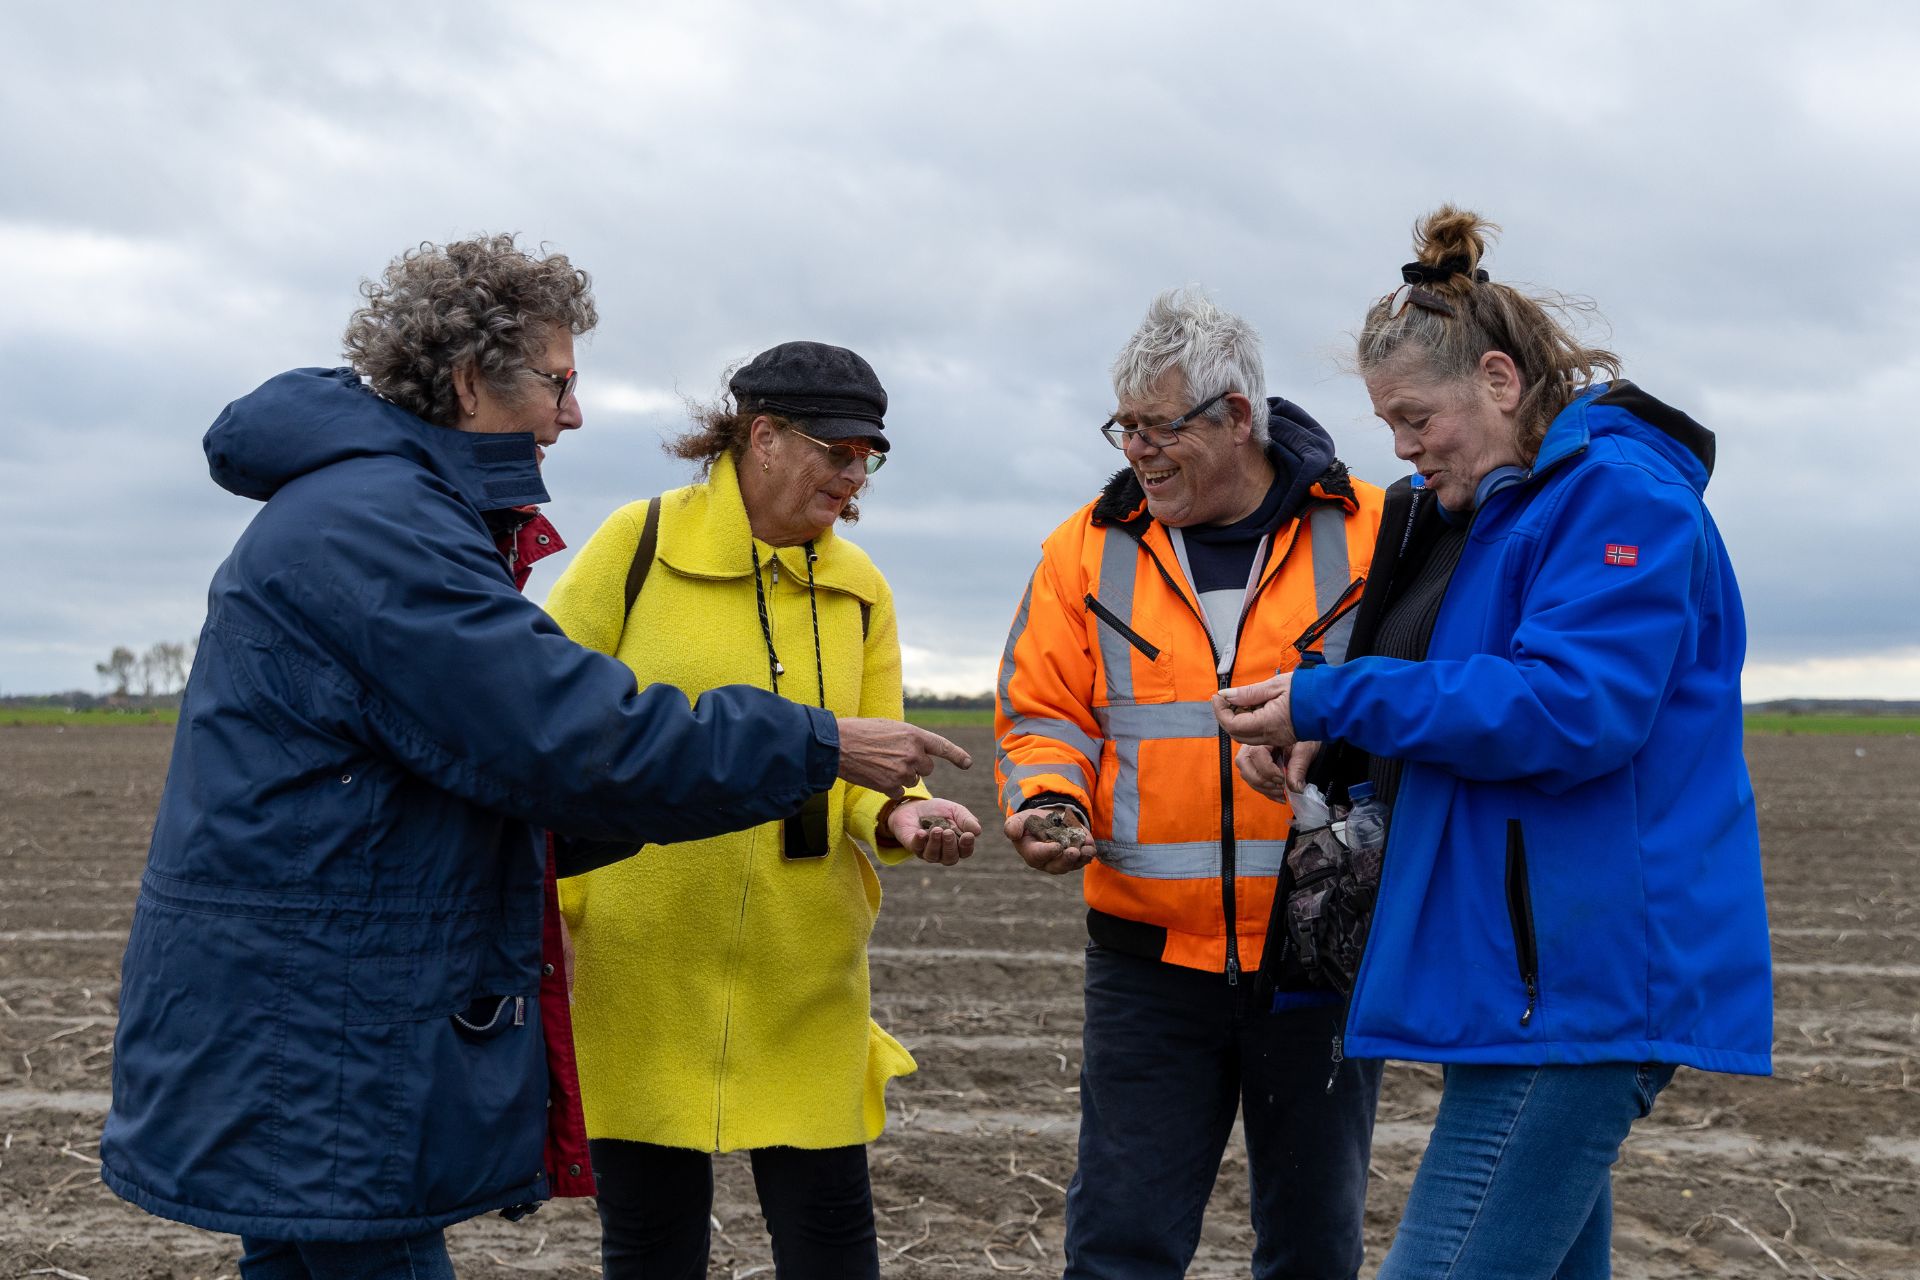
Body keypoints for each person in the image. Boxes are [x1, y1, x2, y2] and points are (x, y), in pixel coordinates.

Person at [98, 237, 968, 1280]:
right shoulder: (381, 531)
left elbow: (518, 754)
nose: (575, 413)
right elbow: (568, 731)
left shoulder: (381, 511)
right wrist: (814, 743)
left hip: (314, 1013)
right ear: (472, 381)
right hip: (326, 1032)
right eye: (558, 381)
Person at [1214, 207, 1772, 1279]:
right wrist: (1326, 742)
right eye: (1387, 423)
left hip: (1584, 977)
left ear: (1503, 382)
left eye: (1417, 415)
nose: (1402, 446)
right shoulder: (1481, 512)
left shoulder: (1619, 497)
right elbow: (1454, 679)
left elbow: (1572, 707)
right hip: (1533, 974)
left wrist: (1341, 698)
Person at [542, 340, 982, 1280]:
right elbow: (545, 727)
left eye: (870, 457)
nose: (854, 477)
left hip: (803, 970)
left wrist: (902, 816)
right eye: (838, 451)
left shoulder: (862, 589)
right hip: (640, 964)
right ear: (765, 435)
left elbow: (873, 761)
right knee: (653, 1249)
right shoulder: (637, 546)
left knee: (831, 1247)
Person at [994, 288, 1388, 1279]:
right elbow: (1047, 711)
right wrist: (1049, 800)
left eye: (1159, 426)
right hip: (1146, 964)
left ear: (1237, 416)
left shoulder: (1378, 531)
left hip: (1314, 955)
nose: (1138, 449)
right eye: (1123, 425)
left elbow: (1418, 707)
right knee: (1121, 1243)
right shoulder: (1083, 546)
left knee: (1313, 1246)